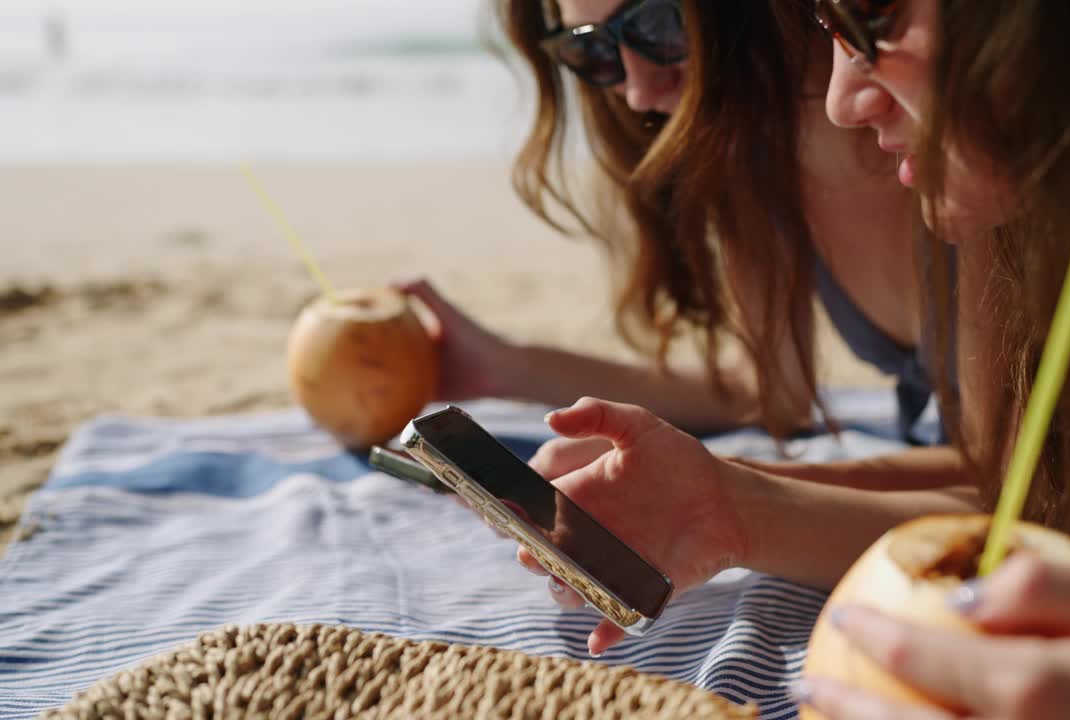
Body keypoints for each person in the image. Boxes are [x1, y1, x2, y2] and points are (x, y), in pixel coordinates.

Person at [520, 0, 1070, 714]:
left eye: (870, 17)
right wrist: (724, 507)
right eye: (827, 23)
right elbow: (1036, 485)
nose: (840, 101)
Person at [397, 0, 948, 451]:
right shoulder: (755, 168)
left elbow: (1001, 473)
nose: (638, 91)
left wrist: (726, 499)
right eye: (592, 50)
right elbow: (765, 391)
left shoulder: (954, 157)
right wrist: (500, 368)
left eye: (659, 25)